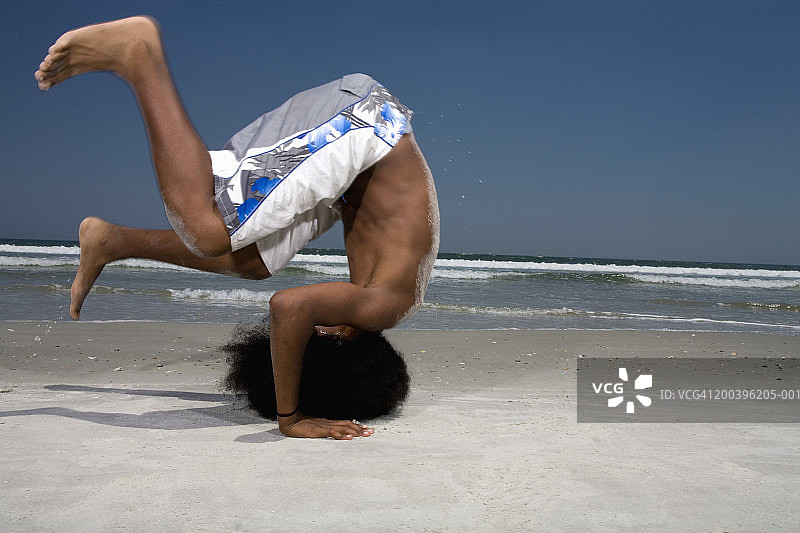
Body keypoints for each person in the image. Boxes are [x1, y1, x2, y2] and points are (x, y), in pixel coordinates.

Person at [35, 16, 439, 440]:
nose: (319, 328)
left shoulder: (388, 298)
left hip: (360, 163)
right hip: (365, 125)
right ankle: (139, 56)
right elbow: (289, 308)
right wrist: (292, 417)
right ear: (344, 343)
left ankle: (114, 241)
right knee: (207, 230)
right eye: (321, 336)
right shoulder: (381, 307)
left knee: (255, 261)